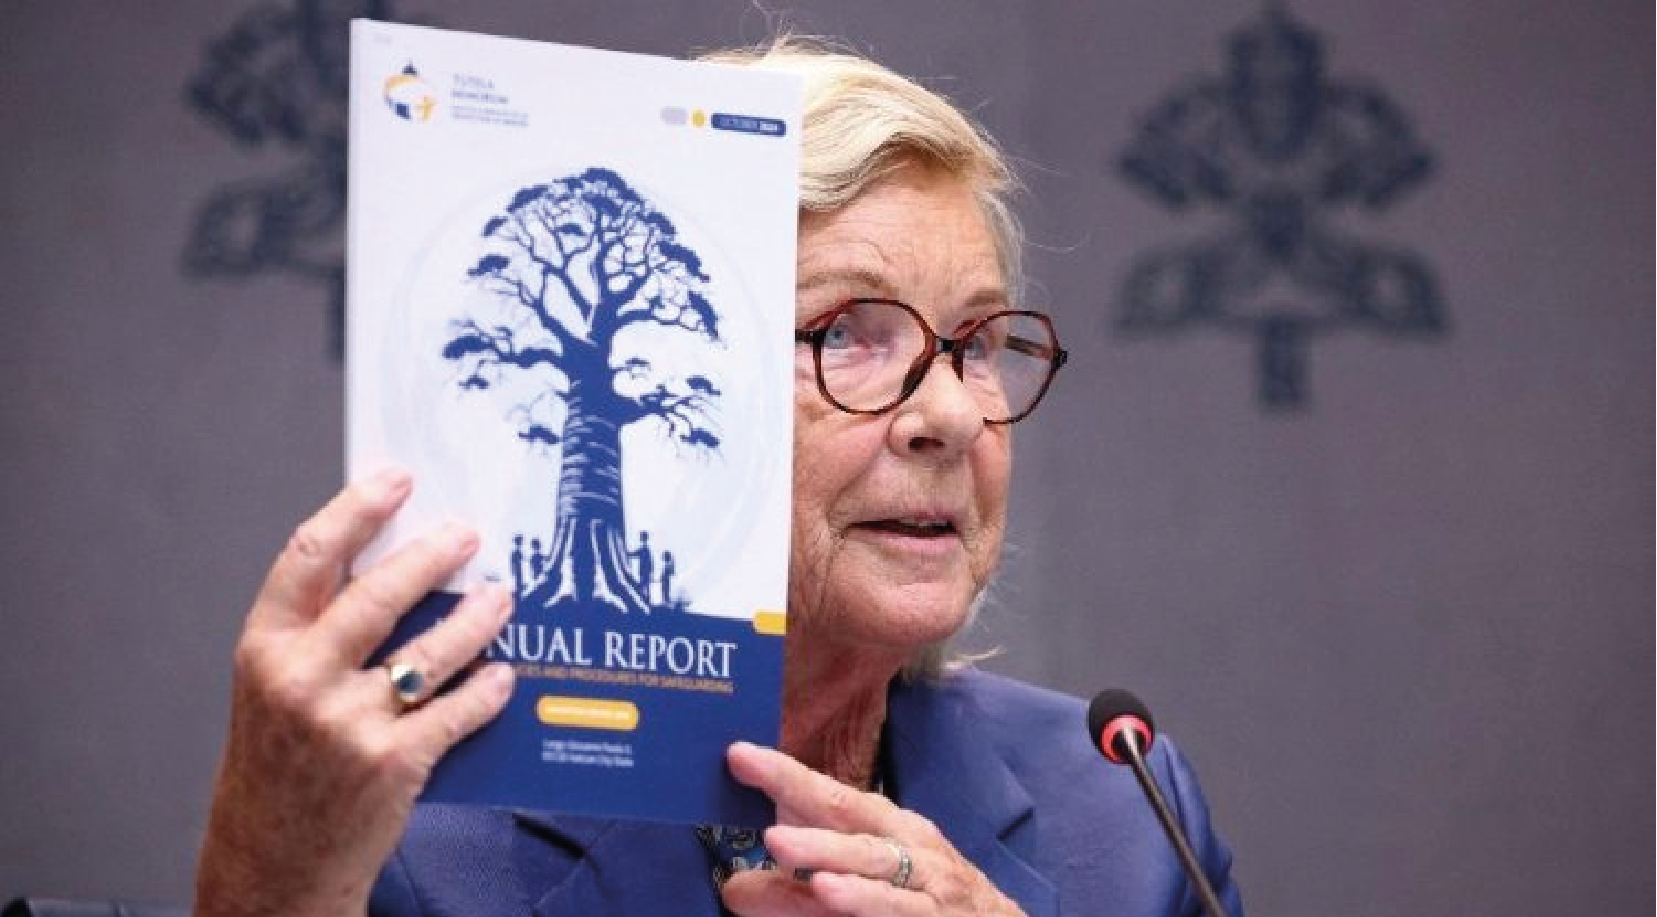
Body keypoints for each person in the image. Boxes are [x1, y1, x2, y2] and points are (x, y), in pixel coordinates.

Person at [194, 37, 1242, 917]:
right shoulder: (405, 836)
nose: (954, 415)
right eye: (846, 333)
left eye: (972, 344)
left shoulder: (1123, 807)